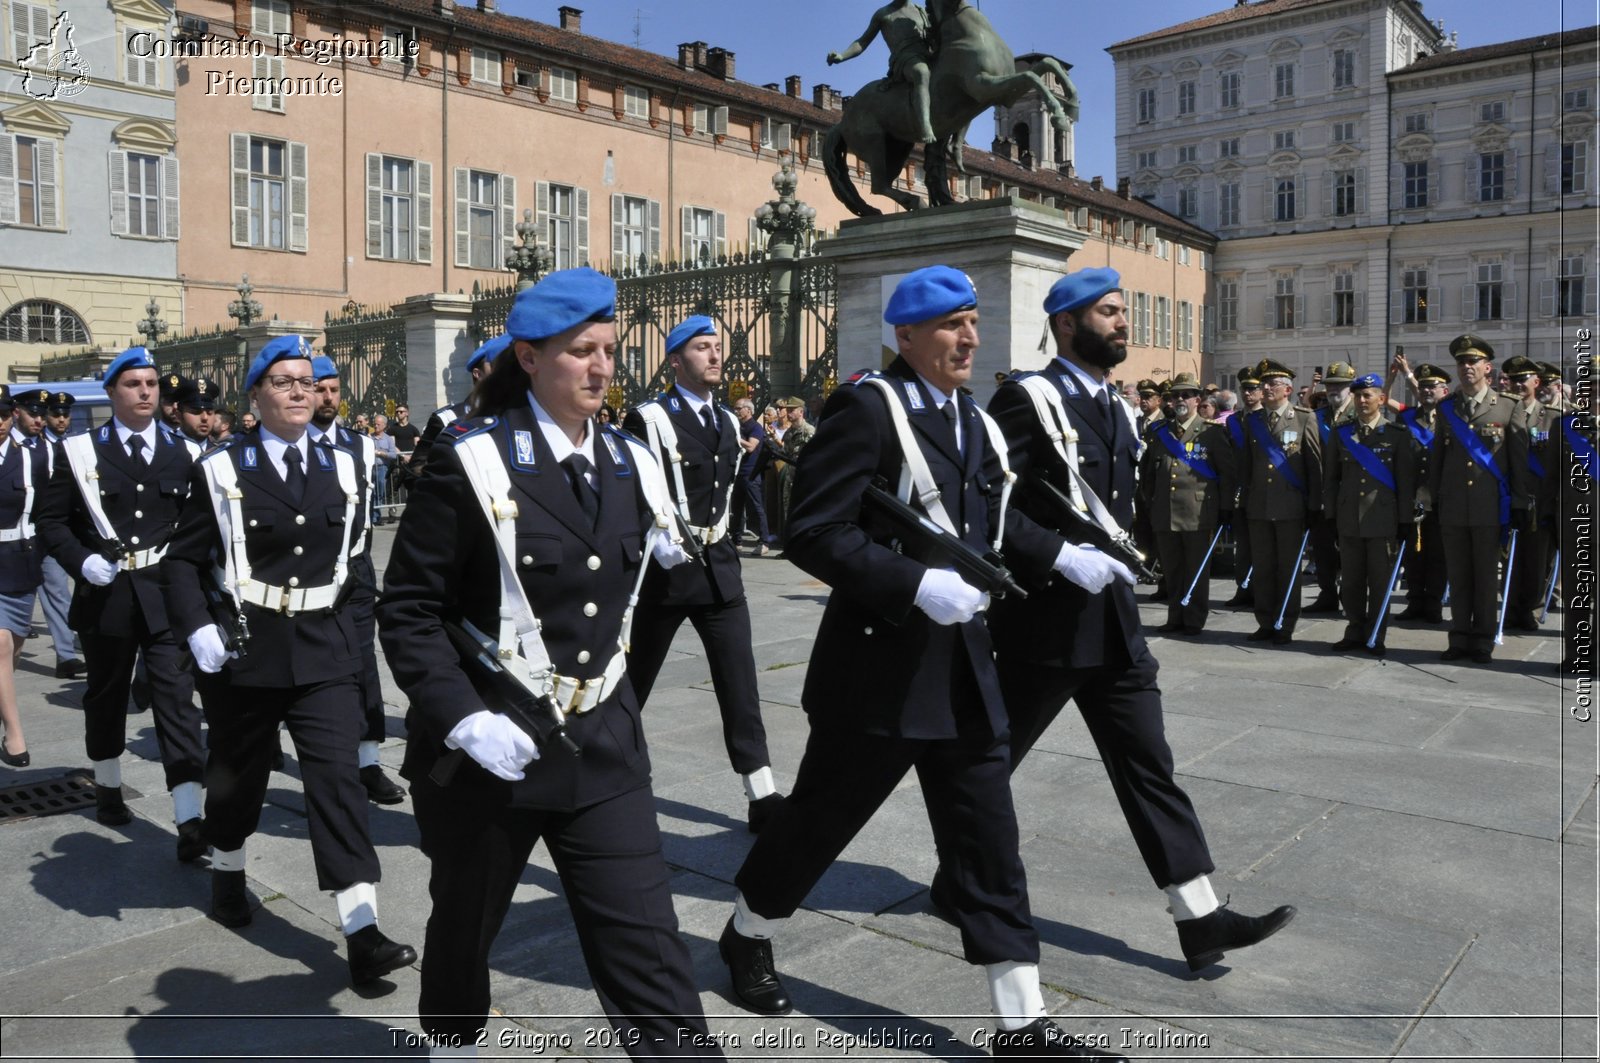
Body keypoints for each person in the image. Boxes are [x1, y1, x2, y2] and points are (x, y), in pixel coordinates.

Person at [721, 265, 1129, 1059]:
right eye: (949, 325)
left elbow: (998, 525)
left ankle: (1023, 1023)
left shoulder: (973, 420)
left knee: (990, 843)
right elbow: (813, 528)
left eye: (972, 322)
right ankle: (747, 932)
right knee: (817, 824)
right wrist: (912, 583)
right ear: (906, 335)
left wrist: (1065, 557)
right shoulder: (870, 408)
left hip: (967, 669)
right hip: (879, 671)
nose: (967, 338)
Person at [376, 269, 723, 1059]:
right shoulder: (473, 461)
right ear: (528, 359)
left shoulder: (633, 462)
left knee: (650, 944)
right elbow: (410, 613)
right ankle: (453, 1042)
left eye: (608, 350)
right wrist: (461, 718)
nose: (601, 368)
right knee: (465, 927)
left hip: (601, 742)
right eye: (580, 352)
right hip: (491, 752)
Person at [982, 266, 1293, 975]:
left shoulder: (1121, 409)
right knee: (991, 762)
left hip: (1115, 625)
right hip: (1046, 626)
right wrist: (1060, 557)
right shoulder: (1026, 399)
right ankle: (960, 875)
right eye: (1110, 313)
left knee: (1149, 763)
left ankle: (1198, 913)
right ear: (1067, 324)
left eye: (1123, 311)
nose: (1124, 323)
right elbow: (991, 507)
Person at [163, 335, 416, 984]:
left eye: (307, 379)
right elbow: (185, 564)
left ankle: (363, 930)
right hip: (246, 651)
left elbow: (354, 556)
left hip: (325, 648)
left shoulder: (344, 466)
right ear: (256, 396)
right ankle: (227, 867)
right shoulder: (221, 470)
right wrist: (198, 632)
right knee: (240, 778)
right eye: (283, 380)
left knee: (337, 783)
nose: (301, 389)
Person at [37, 347, 206, 859]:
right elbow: (51, 522)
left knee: (176, 701)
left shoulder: (185, 453)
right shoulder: (80, 452)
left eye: (152, 383)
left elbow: (197, 532)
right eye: (134, 383)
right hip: (105, 597)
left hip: (163, 597)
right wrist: (80, 561)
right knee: (107, 695)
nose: (146, 391)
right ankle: (108, 785)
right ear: (113, 392)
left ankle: (189, 816)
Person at [623, 316, 786, 832]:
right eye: (701, 348)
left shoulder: (729, 422)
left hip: (719, 571)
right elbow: (630, 494)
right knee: (632, 685)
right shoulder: (648, 418)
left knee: (740, 684)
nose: (715, 356)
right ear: (675, 360)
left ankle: (761, 792)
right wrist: (654, 537)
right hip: (666, 574)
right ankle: (602, 777)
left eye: (717, 347)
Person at [309, 356, 405, 805]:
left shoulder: (360, 446)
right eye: (318, 389)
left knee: (364, 663)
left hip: (355, 572)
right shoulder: (284, 444)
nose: (327, 398)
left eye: (333, 389)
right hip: (303, 575)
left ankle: (368, 761)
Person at [1428, 335, 1529, 664]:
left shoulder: (1507, 406)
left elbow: (1517, 460)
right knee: (1458, 576)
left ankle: (1483, 638)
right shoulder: (1446, 409)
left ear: (1488, 367)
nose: (1466, 367)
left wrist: (1519, 503)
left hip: (1490, 507)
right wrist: (1433, 499)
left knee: (1486, 577)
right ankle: (1458, 636)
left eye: (1473, 362)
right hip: (1454, 505)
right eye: (1461, 362)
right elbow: (1438, 458)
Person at [1323, 374, 1417, 656]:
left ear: (1381, 399)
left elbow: (1405, 483)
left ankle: (1376, 634)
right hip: (1349, 519)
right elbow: (1331, 479)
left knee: (1379, 583)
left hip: (1382, 520)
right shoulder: (1341, 433)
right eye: (1359, 396)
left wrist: (1404, 521)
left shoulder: (1397, 435)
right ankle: (1354, 630)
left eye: (1368, 396)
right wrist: (1330, 516)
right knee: (1350, 582)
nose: (1363, 401)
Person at [1139, 371, 1236, 635]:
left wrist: (1225, 508)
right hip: (1164, 512)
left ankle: (1193, 619)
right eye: (1175, 395)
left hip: (1198, 512)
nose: (1180, 399)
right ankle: (1175, 617)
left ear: (1197, 399)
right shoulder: (1160, 431)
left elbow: (1227, 473)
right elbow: (1148, 472)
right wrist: (1151, 503)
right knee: (1172, 570)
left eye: (1186, 395)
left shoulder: (1211, 432)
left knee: (1196, 569)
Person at [1238, 358, 1322, 645]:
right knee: (1263, 568)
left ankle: (1285, 623)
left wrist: (1314, 505)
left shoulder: (1303, 417)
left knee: (1288, 569)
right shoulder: (1253, 421)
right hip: (1259, 507)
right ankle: (1265, 620)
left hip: (1290, 507)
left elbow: (1314, 465)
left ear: (1287, 390)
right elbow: (1247, 466)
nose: (1265, 388)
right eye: (1264, 383)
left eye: (1272, 383)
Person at [0, 386, 48, 767]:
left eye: (2, 415)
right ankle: (15, 735)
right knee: (0, 647)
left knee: (12, 652)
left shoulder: (33, 456)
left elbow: (49, 509)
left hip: (19, 559)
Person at [827, 0, 938, 144]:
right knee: (921, 72)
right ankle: (925, 126)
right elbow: (862, 42)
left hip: (929, 54)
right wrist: (842, 56)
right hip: (905, 58)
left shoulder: (921, 10)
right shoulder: (883, 14)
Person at [31, 390, 84, 679]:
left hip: (74, 529)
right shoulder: (34, 447)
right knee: (56, 590)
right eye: (55, 415)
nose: (61, 420)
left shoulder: (76, 445)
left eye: (65, 415)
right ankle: (66, 655)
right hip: (44, 529)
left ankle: (79, 643)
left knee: (84, 587)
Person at [1395, 359, 1451, 623]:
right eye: (1424, 386)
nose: (1428, 390)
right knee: (1414, 553)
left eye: (1434, 386)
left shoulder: (1453, 419)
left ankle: (1434, 604)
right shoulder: (1407, 418)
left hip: (1441, 498)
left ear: (1445, 391)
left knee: (1438, 554)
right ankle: (1415, 601)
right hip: (1415, 498)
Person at [1502, 355, 1556, 632]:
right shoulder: (1499, 412)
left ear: (1536, 382)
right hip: (1506, 499)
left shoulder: (1552, 418)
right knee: (1505, 559)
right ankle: (1508, 609)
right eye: (1513, 379)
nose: (1517, 384)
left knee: (1535, 562)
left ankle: (1529, 609)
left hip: (1537, 502)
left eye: (1523, 379)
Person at [411, 335, 507, 479]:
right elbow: (415, 471)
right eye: (497, 366)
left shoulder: (523, 413)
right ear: (478, 374)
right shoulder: (447, 419)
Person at [731, 397, 774, 556]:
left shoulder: (755, 427)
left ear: (748, 410)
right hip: (737, 472)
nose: (736, 411)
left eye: (739, 408)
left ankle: (764, 542)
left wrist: (736, 438)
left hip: (751, 473)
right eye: (735, 409)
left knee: (757, 508)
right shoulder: (738, 426)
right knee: (736, 508)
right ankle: (736, 541)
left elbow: (751, 447)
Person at [172, 377, 220, 450]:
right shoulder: (166, 451)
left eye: (209, 412)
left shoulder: (220, 453)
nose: (205, 418)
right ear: (179, 415)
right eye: (196, 412)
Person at [370, 414, 399, 524]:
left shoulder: (388, 439)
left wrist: (381, 453)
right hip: (371, 468)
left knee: (379, 493)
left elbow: (393, 455)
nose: (375, 426)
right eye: (374, 424)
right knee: (371, 492)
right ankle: (373, 517)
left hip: (382, 469)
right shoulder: (369, 437)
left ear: (384, 425)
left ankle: (376, 517)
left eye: (378, 424)